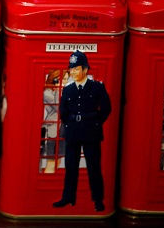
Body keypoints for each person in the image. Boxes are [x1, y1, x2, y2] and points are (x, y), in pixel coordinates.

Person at [53, 50, 111, 212]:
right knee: (71, 167)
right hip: (73, 132)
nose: (73, 72)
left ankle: (98, 200)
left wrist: (96, 123)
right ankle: (68, 197)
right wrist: (70, 124)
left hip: (91, 132)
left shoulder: (97, 87)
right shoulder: (68, 89)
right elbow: (63, 111)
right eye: (71, 69)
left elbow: (106, 108)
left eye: (76, 69)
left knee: (94, 167)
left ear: (85, 70)